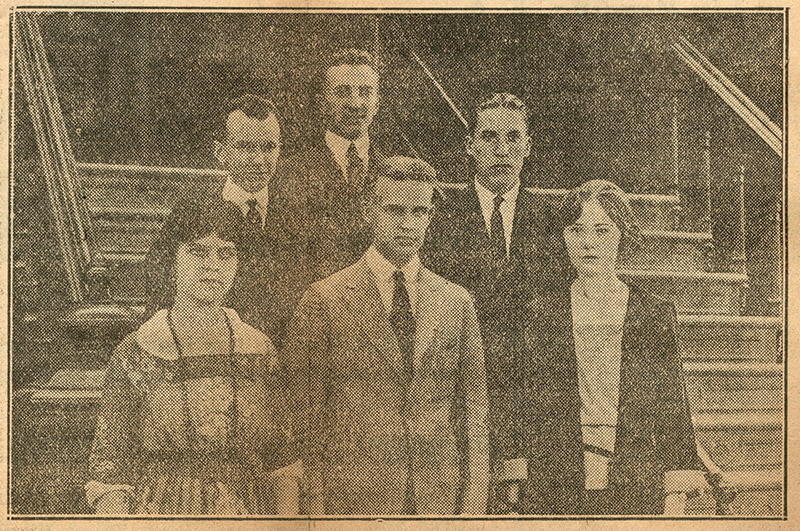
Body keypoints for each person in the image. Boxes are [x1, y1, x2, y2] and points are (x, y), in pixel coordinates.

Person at [282, 156, 489, 515]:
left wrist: (471, 509)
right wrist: (315, 511)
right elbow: (303, 420)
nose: (408, 224)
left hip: (437, 501)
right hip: (353, 500)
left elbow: (474, 415)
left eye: (419, 212)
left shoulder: (457, 301)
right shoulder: (324, 300)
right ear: (368, 211)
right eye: (395, 210)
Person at [495, 180, 707, 515]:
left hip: (634, 480)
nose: (588, 242)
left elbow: (672, 406)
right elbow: (521, 400)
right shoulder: (540, 311)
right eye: (577, 230)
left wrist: (675, 493)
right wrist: (516, 475)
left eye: (602, 230)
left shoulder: (652, 313)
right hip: (555, 481)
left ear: (622, 234)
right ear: (564, 237)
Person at [86, 199, 301, 515]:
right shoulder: (139, 350)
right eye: (198, 251)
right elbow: (108, 465)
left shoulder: (258, 350)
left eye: (226, 253)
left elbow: (282, 459)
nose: (213, 264)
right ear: (173, 259)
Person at [421, 92, 559, 508]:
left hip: (533, 398)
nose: (501, 150)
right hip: (458, 392)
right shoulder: (438, 214)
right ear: (469, 145)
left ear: (528, 145)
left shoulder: (555, 218)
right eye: (489, 137)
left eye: (513, 138)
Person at [144, 94, 295, 345]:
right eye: (245, 147)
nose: (258, 161)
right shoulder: (190, 210)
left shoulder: (298, 215)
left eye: (268, 147)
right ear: (221, 151)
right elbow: (161, 296)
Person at [279, 48, 387, 283]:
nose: (355, 103)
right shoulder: (291, 172)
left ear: (377, 103)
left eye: (365, 92)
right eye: (342, 92)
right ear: (322, 103)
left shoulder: (392, 172)